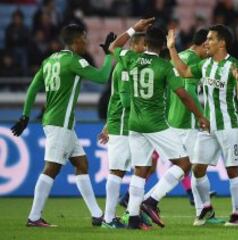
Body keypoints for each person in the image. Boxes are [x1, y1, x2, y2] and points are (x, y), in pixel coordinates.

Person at [10, 24, 115, 227]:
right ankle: (33, 217)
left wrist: (25, 116)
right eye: (84, 38)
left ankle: (96, 214)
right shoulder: (74, 61)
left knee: (82, 164)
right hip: (60, 123)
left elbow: (32, 88)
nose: (87, 42)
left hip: (59, 123)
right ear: (76, 42)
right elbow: (102, 78)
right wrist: (109, 54)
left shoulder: (49, 60)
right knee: (52, 168)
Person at [108, 20, 210, 230]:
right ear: (163, 46)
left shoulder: (131, 59)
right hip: (155, 124)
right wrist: (200, 115)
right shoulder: (165, 67)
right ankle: (151, 201)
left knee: (141, 169)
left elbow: (113, 47)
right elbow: (183, 95)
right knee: (184, 164)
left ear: (144, 43)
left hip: (134, 124)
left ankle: (134, 219)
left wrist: (134, 28)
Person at [168, 24, 238, 227]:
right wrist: (171, 48)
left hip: (230, 126)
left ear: (222, 43)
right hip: (208, 126)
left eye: (211, 39)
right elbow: (184, 71)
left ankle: (236, 214)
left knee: (232, 171)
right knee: (197, 168)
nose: (206, 42)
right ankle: (206, 207)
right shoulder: (205, 65)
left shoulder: (237, 65)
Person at [97, 32, 146, 229]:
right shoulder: (125, 69)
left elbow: (115, 99)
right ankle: (109, 219)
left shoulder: (127, 65)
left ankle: (127, 213)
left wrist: (108, 123)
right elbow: (125, 101)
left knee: (129, 169)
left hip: (122, 124)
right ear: (136, 45)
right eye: (145, 44)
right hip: (123, 126)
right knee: (117, 171)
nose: (147, 48)